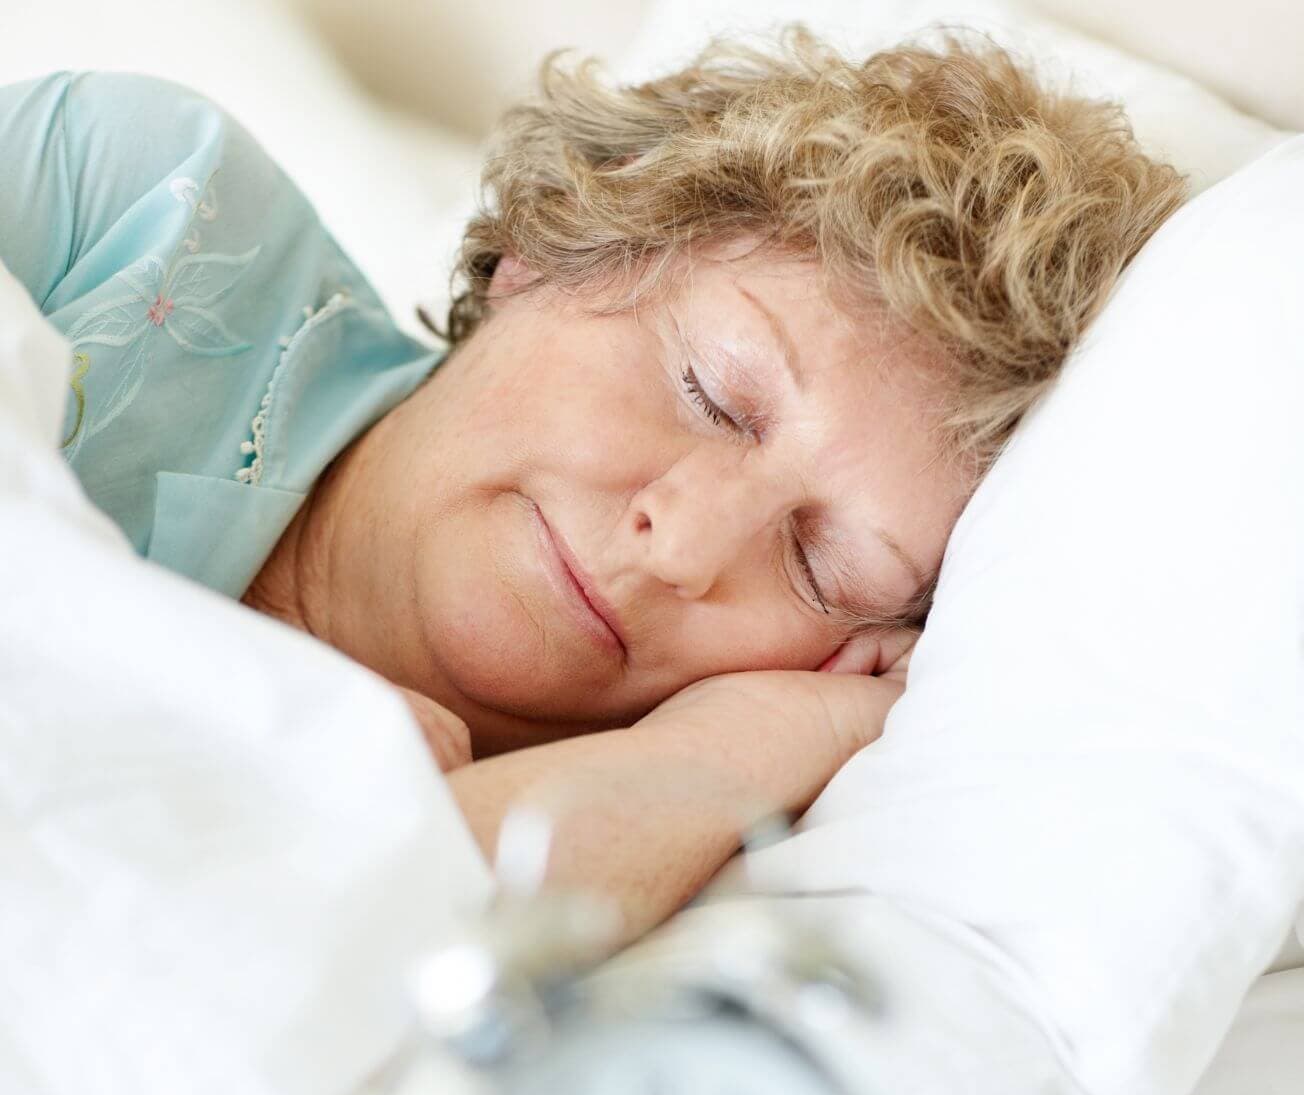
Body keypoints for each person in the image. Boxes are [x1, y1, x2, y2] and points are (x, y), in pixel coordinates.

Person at [0, 28, 1184, 941]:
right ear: (550, 243)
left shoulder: (712, 851)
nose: (683, 546)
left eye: (828, 568)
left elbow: (260, 994)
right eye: (710, 391)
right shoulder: (138, 215)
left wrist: (707, 766)